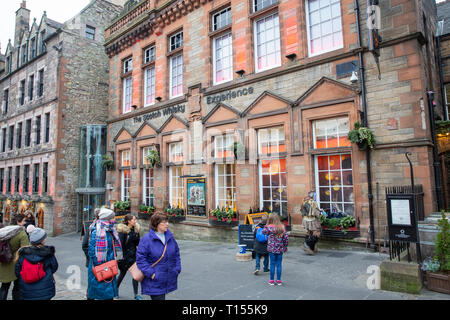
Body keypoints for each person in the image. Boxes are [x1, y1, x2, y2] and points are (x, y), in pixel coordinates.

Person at [136, 212, 181, 300]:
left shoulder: (170, 237)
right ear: (156, 224)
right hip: (154, 280)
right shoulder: (147, 239)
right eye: (164, 222)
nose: (167, 224)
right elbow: (141, 259)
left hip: (168, 277)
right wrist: (151, 273)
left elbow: (176, 253)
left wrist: (177, 269)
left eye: (167, 221)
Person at [87, 207, 122, 300]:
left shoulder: (110, 230)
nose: (114, 219)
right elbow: (91, 251)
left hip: (109, 266)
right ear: (107, 219)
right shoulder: (97, 231)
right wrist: (101, 265)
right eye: (112, 218)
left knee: (107, 292)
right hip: (102, 267)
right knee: (100, 292)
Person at [14, 228, 58, 300]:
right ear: (42, 240)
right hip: (45, 288)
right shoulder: (48, 254)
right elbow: (54, 267)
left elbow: (17, 271)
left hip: (27, 289)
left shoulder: (22, 254)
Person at [0, 214, 29, 300]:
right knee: (17, 287)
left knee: (4, 287)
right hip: (16, 264)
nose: (25, 222)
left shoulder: (5, 229)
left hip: (3, 261)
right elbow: (25, 249)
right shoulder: (21, 233)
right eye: (24, 220)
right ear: (18, 222)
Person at [116, 214, 143, 300]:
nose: (135, 221)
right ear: (129, 221)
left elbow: (137, 243)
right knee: (122, 274)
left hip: (133, 255)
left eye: (135, 220)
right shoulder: (123, 231)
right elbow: (121, 245)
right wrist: (121, 258)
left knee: (135, 275)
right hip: (124, 257)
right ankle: (115, 291)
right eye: (134, 220)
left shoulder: (135, 230)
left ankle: (136, 294)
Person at [262, 214, 289, 286]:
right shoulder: (282, 227)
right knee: (279, 264)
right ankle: (279, 280)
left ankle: (271, 280)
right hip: (280, 249)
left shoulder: (268, 228)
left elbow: (263, 232)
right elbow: (286, 238)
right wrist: (285, 246)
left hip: (271, 249)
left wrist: (267, 225)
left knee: (272, 264)